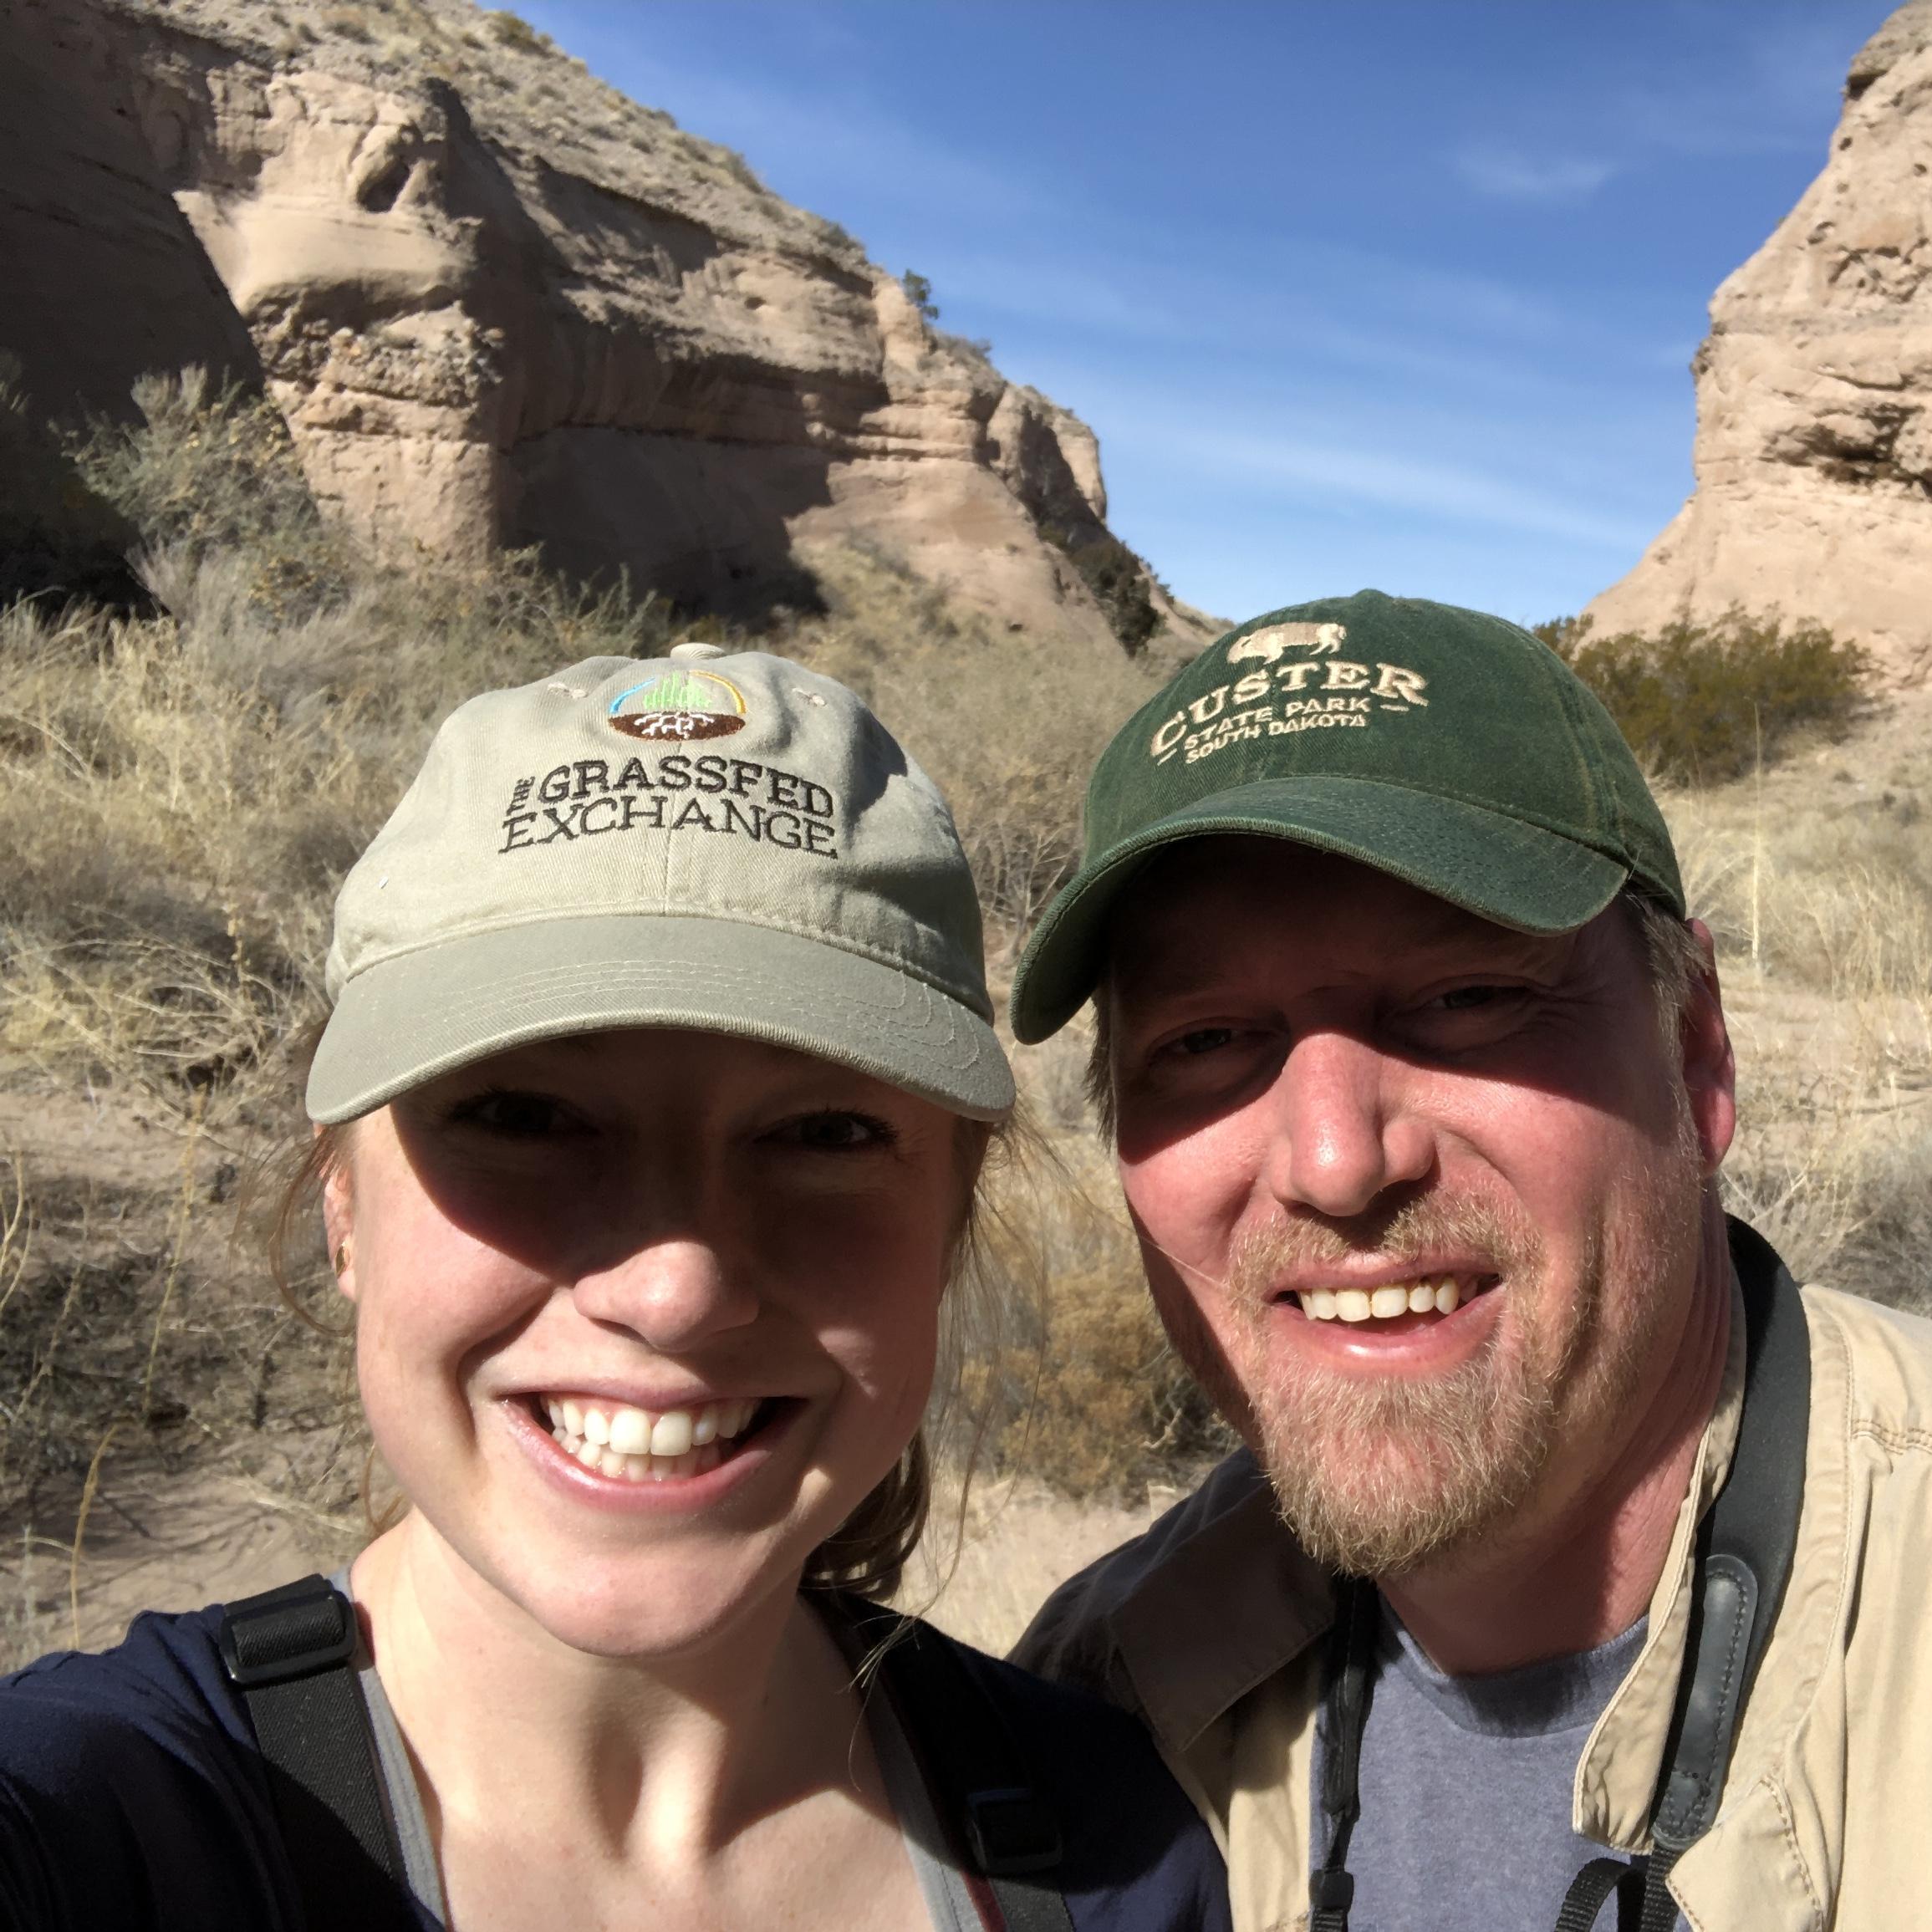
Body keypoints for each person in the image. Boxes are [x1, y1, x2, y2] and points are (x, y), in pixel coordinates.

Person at [0, 643, 1232, 1932]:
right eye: (525, 1115)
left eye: (824, 1135)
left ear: (950, 1221)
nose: (674, 1291)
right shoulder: (107, 1833)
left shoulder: (1119, 1856)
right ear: (343, 1203)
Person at [1004, 591, 1932, 1932]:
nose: (1334, 1160)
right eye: (1205, 1041)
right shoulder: (1096, 1713)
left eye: (1469, 999)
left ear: (1697, 1052)